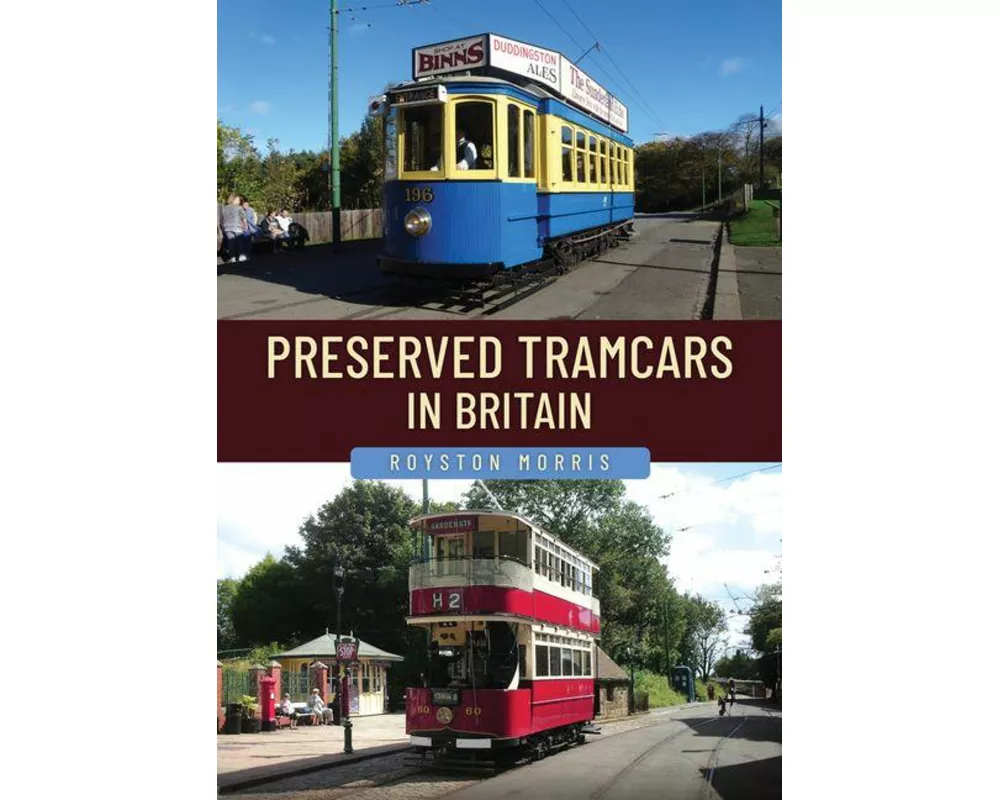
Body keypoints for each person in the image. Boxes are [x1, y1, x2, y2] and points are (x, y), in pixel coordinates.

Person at [220, 194, 250, 263]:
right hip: (237, 226)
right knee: (239, 242)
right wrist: (246, 227)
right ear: (233, 199)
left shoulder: (224, 208)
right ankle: (241, 256)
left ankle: (232, 257)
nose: (239, 201)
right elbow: (243, 218)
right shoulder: (239, 207)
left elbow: (222, 218)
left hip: (227, 227)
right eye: (238, 200)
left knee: (231, 243)